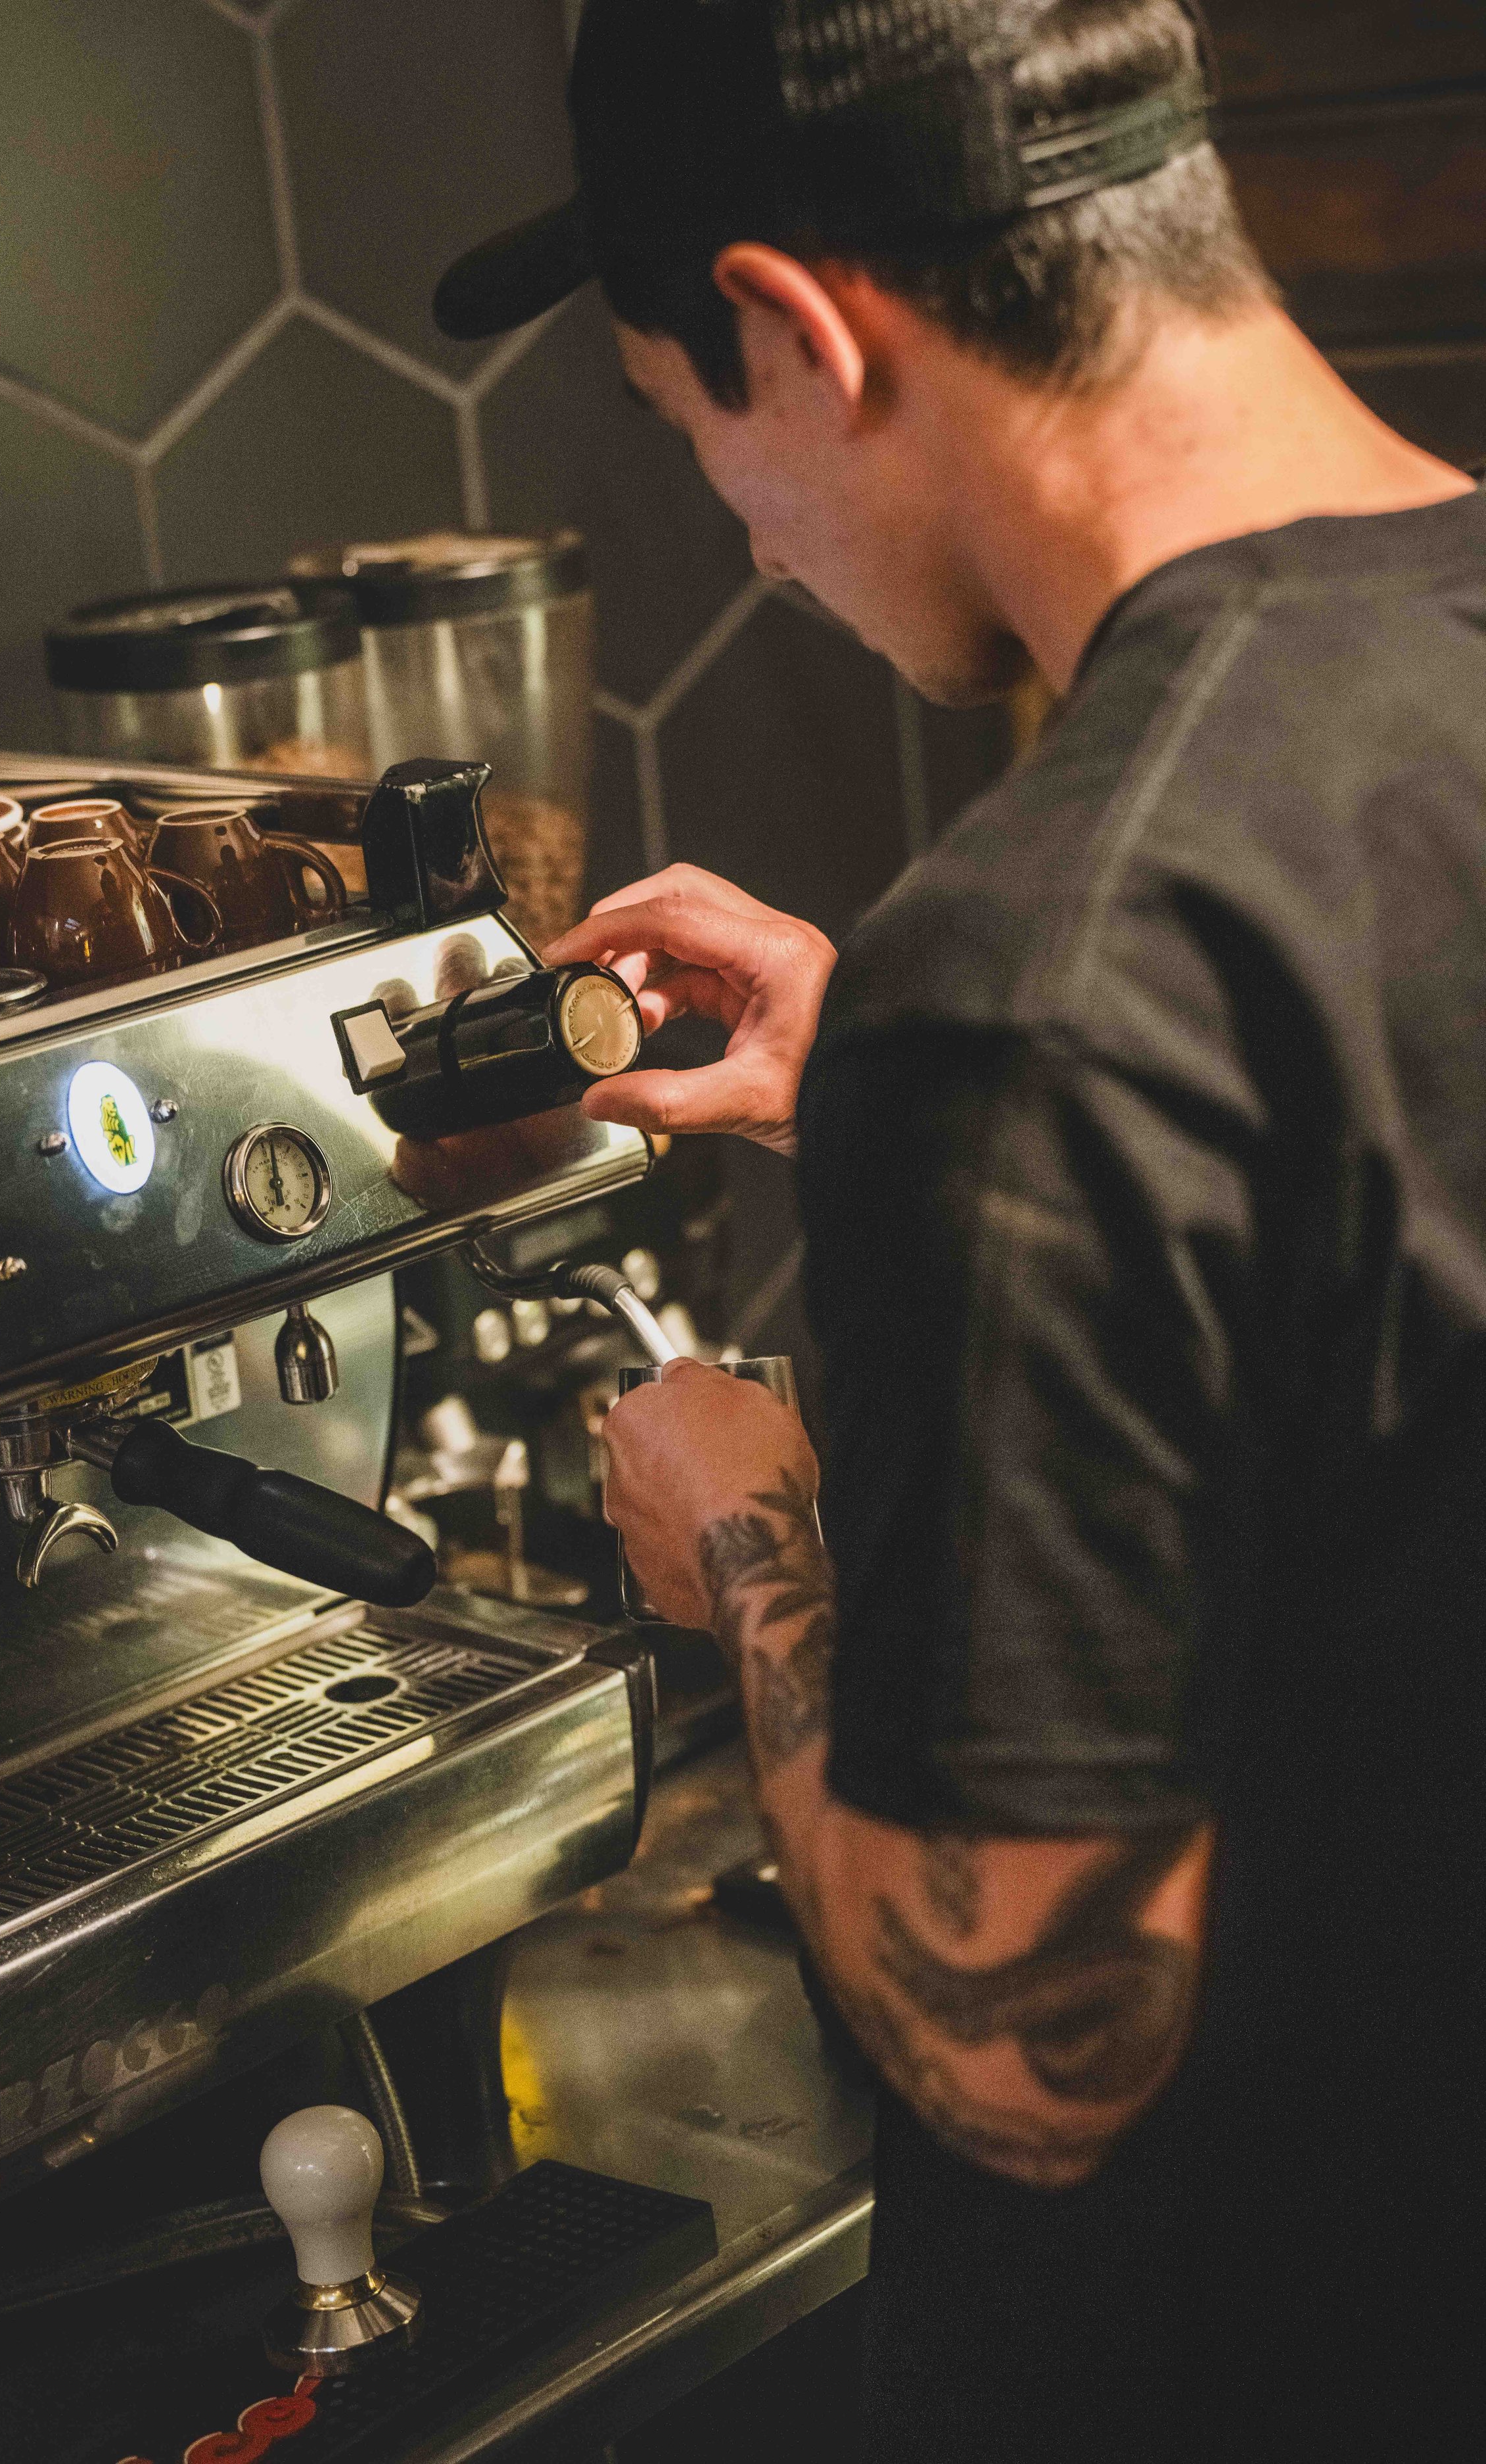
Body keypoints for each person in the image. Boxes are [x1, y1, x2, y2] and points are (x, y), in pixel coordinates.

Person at [437, 3, 1485, 2455]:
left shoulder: (1042, 973)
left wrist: (749, 1541)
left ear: (796, 331)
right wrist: (967, 1135)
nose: (744, 533)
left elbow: (1029, 2042)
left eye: (689, 428)